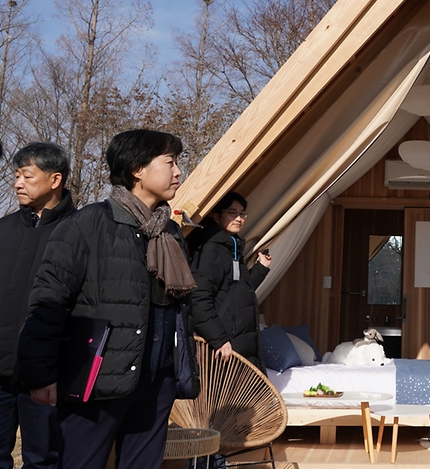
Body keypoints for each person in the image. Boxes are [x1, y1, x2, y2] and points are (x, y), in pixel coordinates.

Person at [17, 129, 199, 469]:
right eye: (170, 163)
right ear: (137, 170)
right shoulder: (88, 224)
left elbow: (179, 309)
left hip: (156, 382)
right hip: (97, 381)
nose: (178, 172)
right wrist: (39, 375)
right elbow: (48, 302)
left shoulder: (170, 232)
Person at [0, 143, 75, 469]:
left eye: (27, 176)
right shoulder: (3, 229)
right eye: (16, 176)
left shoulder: (78, 231)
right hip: (0, 369)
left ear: (55, 179)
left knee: (43, 459)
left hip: (48, 376)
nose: (17, 184)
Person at [188, 191, 271, 369]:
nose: (239, 218)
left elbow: (240, 290)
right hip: (224, 348)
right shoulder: (211, 249)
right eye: (232, 213)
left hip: (237, 342)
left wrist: (261, 268)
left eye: (242, 214)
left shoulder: (231, 246)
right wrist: (218, 339)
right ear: (216, 216)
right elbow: (198, 298)